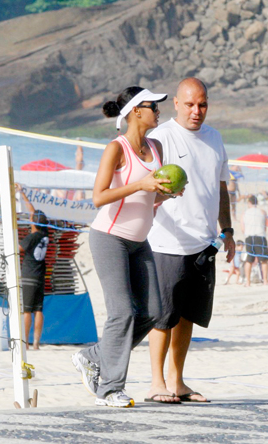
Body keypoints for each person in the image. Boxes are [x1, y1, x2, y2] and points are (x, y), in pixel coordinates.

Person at [72, 86, 175, 408]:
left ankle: (93, 356)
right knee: (122, 313)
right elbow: (99, 197)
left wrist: (165, 194)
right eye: (153, 106)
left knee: (154, 313)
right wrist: (141, 184)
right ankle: (110, 388)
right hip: (109, 237)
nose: (159, 111)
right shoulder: (115, 149)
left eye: (159, 106)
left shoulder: (156, 147)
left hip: (139, 241)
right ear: (135, 112)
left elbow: (148, 197)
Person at [146, 77, 236, 404]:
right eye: (190, 104)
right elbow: (145, 184)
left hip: (205, 242)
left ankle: (177, 381)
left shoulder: (215, 138)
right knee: (163, 316)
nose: (196, 111)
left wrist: (228, 230)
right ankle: (156, 382)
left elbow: (221, 187)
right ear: (176, 104)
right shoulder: (160, 137)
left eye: (202, 105)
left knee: (188, 317)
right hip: (166, 241)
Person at [16, 184, 50, 350]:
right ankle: (36, 343)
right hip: (40, 276)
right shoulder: (45, 235)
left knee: (27, 310)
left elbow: (19, 249)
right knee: (38, 310)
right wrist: (22, 194)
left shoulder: (32, 237)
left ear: (33, 223)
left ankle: (26, 343)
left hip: (29, 275)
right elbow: (32, 212)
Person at [242, 195, 268, 286]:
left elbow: (243, 228)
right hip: (260, 236)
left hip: (249, 237)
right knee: (264, 260)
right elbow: (265, 227)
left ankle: (248, 282)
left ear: (249, 202)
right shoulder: (262, 212)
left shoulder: (245, 213)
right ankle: (265, 281)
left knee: (249, 260)